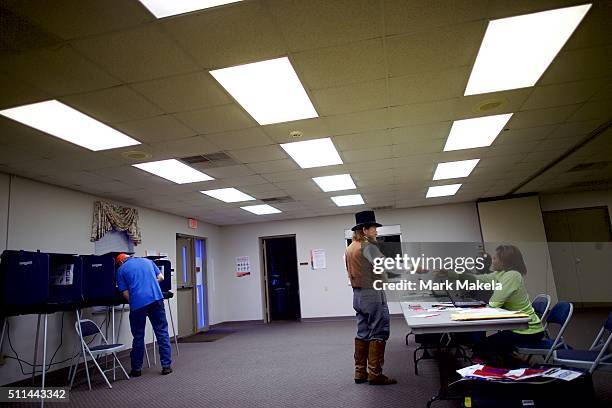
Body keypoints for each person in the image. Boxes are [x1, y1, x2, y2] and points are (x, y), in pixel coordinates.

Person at [440, 245, 544, 364]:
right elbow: (477, 279)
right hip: (517, 326)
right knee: (484, 346)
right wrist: (450, 273)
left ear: (504, 261)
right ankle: (511, 360)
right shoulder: (501, 274)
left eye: (495, 258)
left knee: (481, 347)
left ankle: (503, 368)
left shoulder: (513, 275)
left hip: (528, 330)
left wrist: (468, 312)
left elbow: (494, 304)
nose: (492, 261)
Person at [345, 210, 397, 385]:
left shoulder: (350, 247)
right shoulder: (368, 246)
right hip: (372, 294)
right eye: (374, 228)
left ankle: (360, 373)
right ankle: (375, 374)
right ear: (365, 230)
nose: (376, 231)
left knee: (363, 332)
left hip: (357, 295)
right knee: (379, 331)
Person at [116, 253, 173, 376]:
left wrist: (136, 299)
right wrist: (150, 284)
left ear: (120, 262)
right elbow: (161, 277)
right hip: (156, 298)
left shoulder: (121, 270)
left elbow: (125, 293)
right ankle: (166, 366)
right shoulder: (147, 261)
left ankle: (136, 369)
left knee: (138, 336)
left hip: (138, 304)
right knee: (162, 332)